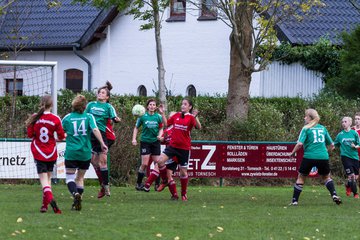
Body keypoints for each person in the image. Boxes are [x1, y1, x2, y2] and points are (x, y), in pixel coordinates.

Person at [62, 95, 108, 210]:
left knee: (70, 178)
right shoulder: (89, 116)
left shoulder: (67, 118)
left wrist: (64, 136)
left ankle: (75, 194)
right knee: (80, 178)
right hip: (85, 153)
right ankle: (78, 200)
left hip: (72, 152)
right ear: (84, 106)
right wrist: (102, 143)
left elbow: (59, 133)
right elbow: (95, 130)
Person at [289, 109, 341, 206]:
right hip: (323, 156)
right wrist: (327, 152)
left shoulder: (306, 128)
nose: (304, 118)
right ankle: (334, 195)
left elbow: (300, 144)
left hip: (309, 156)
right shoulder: (323, 128)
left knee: (301, 177)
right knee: (326, 177)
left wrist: (292, 153)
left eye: (305, 116)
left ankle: (294, 201)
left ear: (310, 118)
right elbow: (332, 145)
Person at [26, 95, 65, 214]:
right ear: (52, 105)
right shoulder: (56, 118)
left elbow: (30, 135)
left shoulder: (35, 117)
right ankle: (44, 205)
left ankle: (50, 200)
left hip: (39, 152)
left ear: (40, 104)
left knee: (44, 181)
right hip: (51, 152)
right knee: (48, 179)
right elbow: (61, 136)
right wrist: (64, 136)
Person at [157, 98, 201, 201]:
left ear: (190, 107)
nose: (182, 106)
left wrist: (196, 117)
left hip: (184, 148)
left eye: (185, 104)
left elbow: (198, 127)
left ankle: (183, 194)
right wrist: (163, 113)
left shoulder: (190, 117)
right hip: (173, 146)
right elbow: (167, 123)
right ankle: (165, 181)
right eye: (182, 104)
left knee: (183, 173)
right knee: (160, 161)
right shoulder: (176, 115)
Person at [86, 81, 120, 197]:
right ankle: (103, 185)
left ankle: (105, 186)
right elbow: (84, 116)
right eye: (99, 92)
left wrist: (116, 119)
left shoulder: (108, 107)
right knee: (92, 161)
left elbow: (114, 116)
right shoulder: (91, 105)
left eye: (103, 93)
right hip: (91, 135)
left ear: (107, 97)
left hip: (103, 135)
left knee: (102, 162)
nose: (100, 94)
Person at [132, 99, 164, 191]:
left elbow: (161, 128)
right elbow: (136, 128)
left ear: (156, 107)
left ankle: (157, 184)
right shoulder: (142, 116)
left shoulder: (158, 117)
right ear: (147, 106)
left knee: (157, 163)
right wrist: (134, 139)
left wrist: (160, 135)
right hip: (145, 142)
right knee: (144, 164)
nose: (152, 106)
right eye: (150, 104)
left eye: (154, 105)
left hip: (155, 142)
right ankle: (138, 184)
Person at [335, 117, 360, 198]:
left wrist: (355, 146)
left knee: (355, 177)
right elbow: (336, 144)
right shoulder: (340, 135)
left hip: (355, 157)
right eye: (342, 122)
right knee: (351, 176)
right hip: (345, 157)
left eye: (345, 122)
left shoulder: (354, 133)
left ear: (350, 123)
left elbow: (359, 144)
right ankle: (355, 193)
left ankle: (348, 186)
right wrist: (331, 146)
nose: (343, 123)